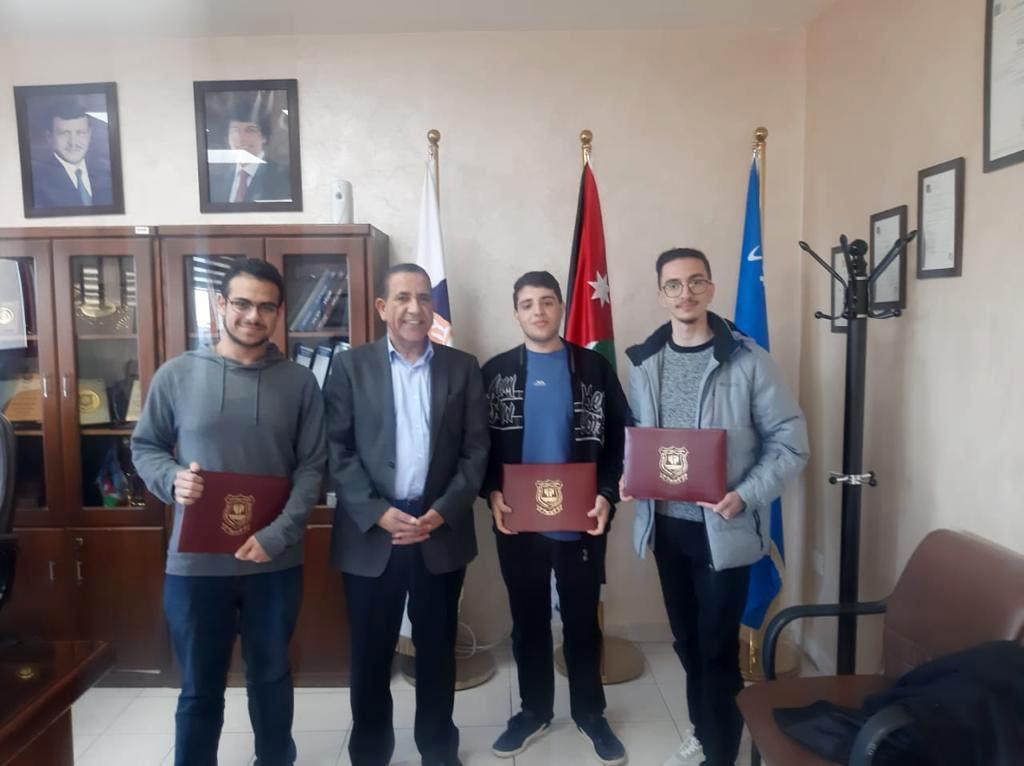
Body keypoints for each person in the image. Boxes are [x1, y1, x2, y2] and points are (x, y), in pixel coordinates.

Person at [131, 258, 326, 766]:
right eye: (242, 303)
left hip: (273, 563)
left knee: (272, 680)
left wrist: (278, 535)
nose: (253, 316)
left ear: (279, 313)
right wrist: (172, 479)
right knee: (199, 689)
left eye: (266, 307)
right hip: (196, 567)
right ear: (220, 305)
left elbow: (312, 469)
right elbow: (146, 447)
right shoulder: (176, 375)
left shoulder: (300, 383)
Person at [622, 248, 808, 766]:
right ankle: (705, 730)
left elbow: (791, 444)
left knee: (716, 647)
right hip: (666, 530)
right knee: (685, 642)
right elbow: (639, 437)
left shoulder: (748, 360)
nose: (685, 293)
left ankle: (722, 753)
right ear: (661, 294)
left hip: (724, 529)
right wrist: (628, 472)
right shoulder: (643, 362)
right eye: (674, 285)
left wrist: (745, 494)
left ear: (711, 287)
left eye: (696, 281)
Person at [324, 263, 488, 766]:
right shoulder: (350, 367)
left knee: (437, 652)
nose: (414, 308)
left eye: (423, 298)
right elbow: (336, 450)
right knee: (371, 656)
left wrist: (442, 512)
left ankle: (438, 750)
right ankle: (370, 753)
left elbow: (476, 452)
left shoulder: (462, 367)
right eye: (401, 298)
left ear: (433, 306)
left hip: (438, 531)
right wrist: (377, 512)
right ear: (382, 307)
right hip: (372, 535)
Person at [481, 271, 629, 765]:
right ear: (516, 312)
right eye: (527, 304)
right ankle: (534, 711)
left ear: (562, 307)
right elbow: (476, 445)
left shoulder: (593, 367)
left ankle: (590, 713)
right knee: (528, 623)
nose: (538, 312)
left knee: (582, 622)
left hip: (581, 521)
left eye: (547, 302)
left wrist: (607, 494)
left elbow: (621, 438)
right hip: (517, 522)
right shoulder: (496, 371)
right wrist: (490, 491)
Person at [32, 99, 113, 208]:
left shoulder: (106, 172)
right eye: (64, 133)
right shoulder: (37, 182)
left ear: (89, 134)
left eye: (80, 133)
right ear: (49, 137)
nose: (73, 142)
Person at [209, 99, 291, 204]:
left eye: (250, 130)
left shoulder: (283, 177)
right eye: (235, 130)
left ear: (264, 137)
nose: (241, 138)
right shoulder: (216, 180)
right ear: (227, 138)